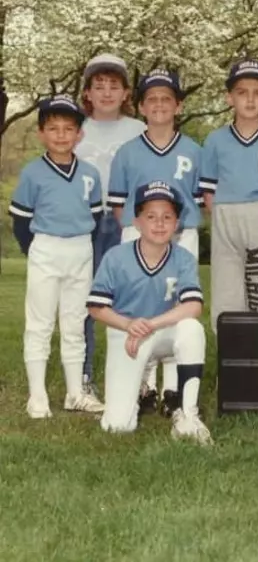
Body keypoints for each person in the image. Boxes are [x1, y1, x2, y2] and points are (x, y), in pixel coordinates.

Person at [107, 68, 202, 417]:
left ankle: (172, 389)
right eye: (152, 99)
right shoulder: (127, 152)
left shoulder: (194, 150)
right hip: (139, 235)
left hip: (182, 234)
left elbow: (199, 199)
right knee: (139, 302)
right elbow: (119, 206)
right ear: (141, 107)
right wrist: (141, 238)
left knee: (178, 305)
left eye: (167, 99)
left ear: (178, 105)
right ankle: (142, 384)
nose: (159, 105)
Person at [87, 181, 210, 444]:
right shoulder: (116, 257)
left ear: (177, 222)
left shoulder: (183, 258)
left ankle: (188, 414)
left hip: (161, 330)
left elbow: (194, 306)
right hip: (126, 333)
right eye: (151, 216)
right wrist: (128, 323)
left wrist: (151, 324)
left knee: (191, 329)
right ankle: (139, 389)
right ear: (137, 221)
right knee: (117, 427)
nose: (159, 223)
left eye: (167, 217)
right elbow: (96, 307)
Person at [8, 96, 105, 417]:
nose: (61, 135)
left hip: (80, 250)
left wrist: (80, 247)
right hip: (46, 249)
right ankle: (37, 396)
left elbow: (95, 218)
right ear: (41, 133)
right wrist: (35, 250)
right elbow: (21, 221)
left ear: (80, 134)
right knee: (40, 322)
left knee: (75, 323)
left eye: (69, 129)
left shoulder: (89, 173)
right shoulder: (34, 173)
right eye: (53, 128)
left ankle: (75, 392)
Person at [75, 53, 146, 397]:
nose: (105, 92)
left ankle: (137, 378)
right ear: (86, 92)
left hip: (126, 221)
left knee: (130, 299)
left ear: (126, 93)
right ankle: (83, 377)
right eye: (98, 86)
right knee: (87, 300)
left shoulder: (138, 130)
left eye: (113, 86)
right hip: (84, 223)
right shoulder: (75, 128)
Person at [199, 59, 258, 332]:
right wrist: (221, 218)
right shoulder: (215, 140)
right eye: (241, 92)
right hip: (226, 215)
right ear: (230, 97)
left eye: (257, 92)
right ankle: (229, 364)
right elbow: (208, 191)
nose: (250, 99)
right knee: (227, 293)